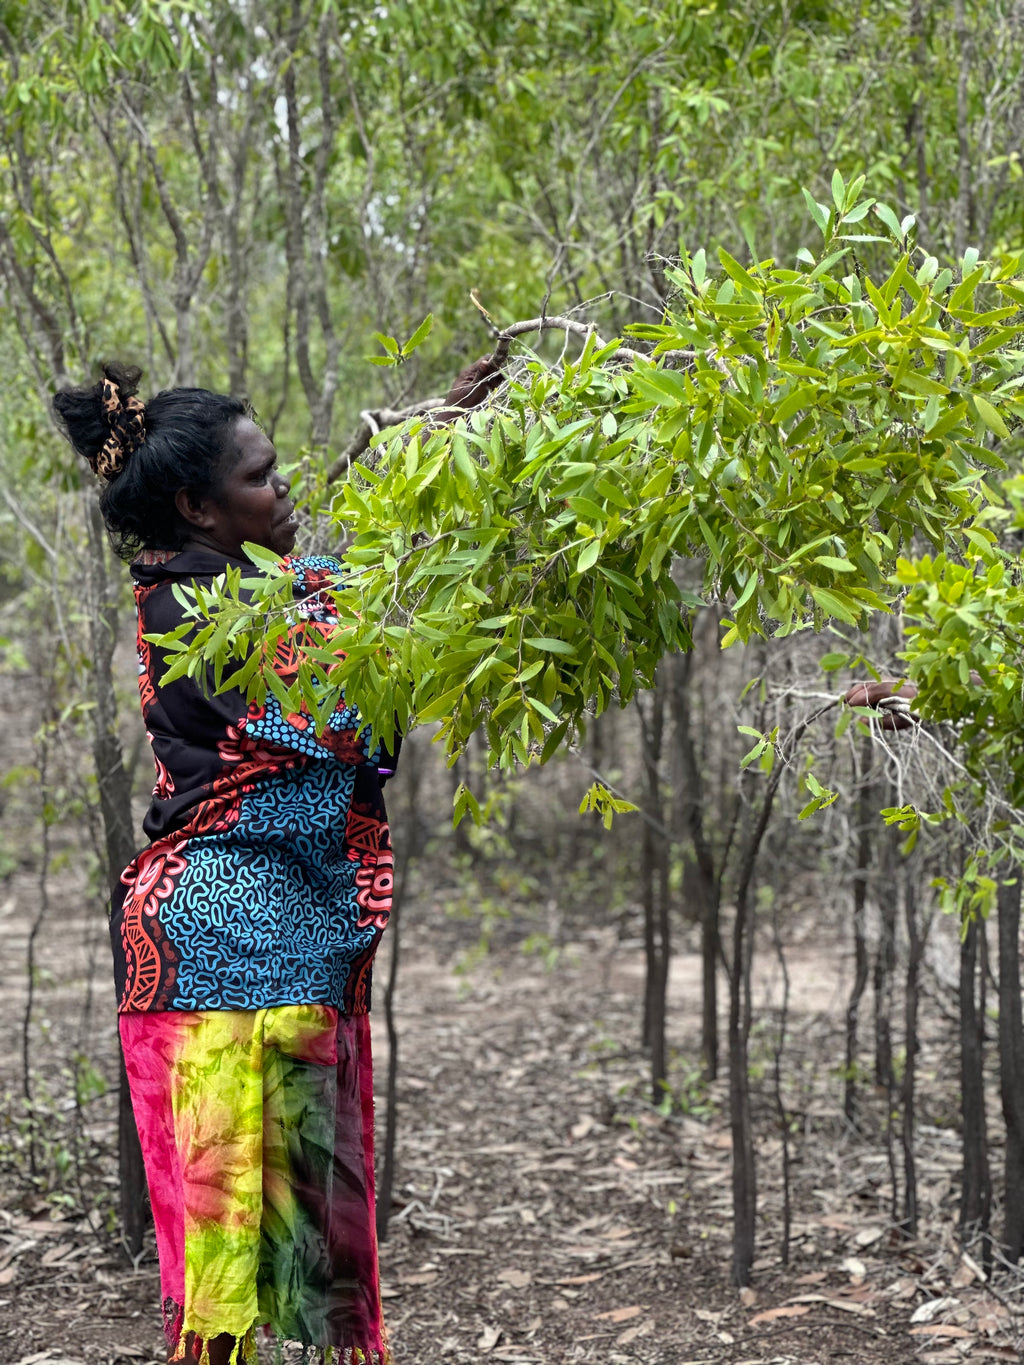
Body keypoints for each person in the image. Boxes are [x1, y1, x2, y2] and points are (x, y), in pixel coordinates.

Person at [53, 356, 501, 1365]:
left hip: (290, 949)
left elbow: (367, 612)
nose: (283, 489)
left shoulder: (262, 592)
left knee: (299, 1267)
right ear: (196, 507)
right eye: (259, 478)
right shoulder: (192, 613)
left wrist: (440, 458)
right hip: (217, 954)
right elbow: (351, 712)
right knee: (226, 1270)